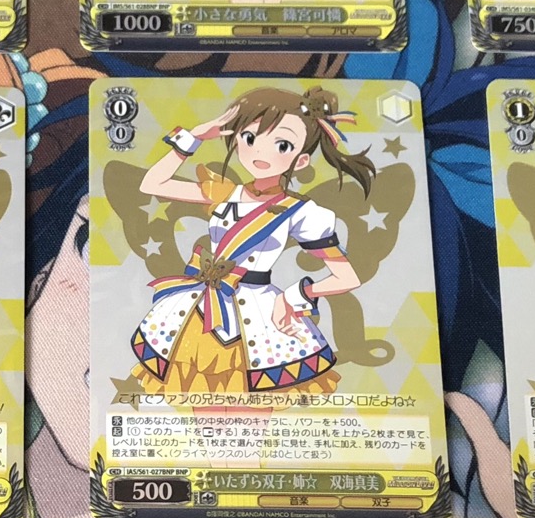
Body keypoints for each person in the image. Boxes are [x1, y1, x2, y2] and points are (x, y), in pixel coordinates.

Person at [130, 86, 369, 398]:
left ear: (300, 161)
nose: (260, 153)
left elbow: (347, 277)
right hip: (199, 306)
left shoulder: (302, 212)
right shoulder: (223, 192)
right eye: (250, 138)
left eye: (282, 145)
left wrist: (295, 295)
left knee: (254, 405)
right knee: (197, 399)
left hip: (261, 314)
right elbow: (152, 183)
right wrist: (194, 139)